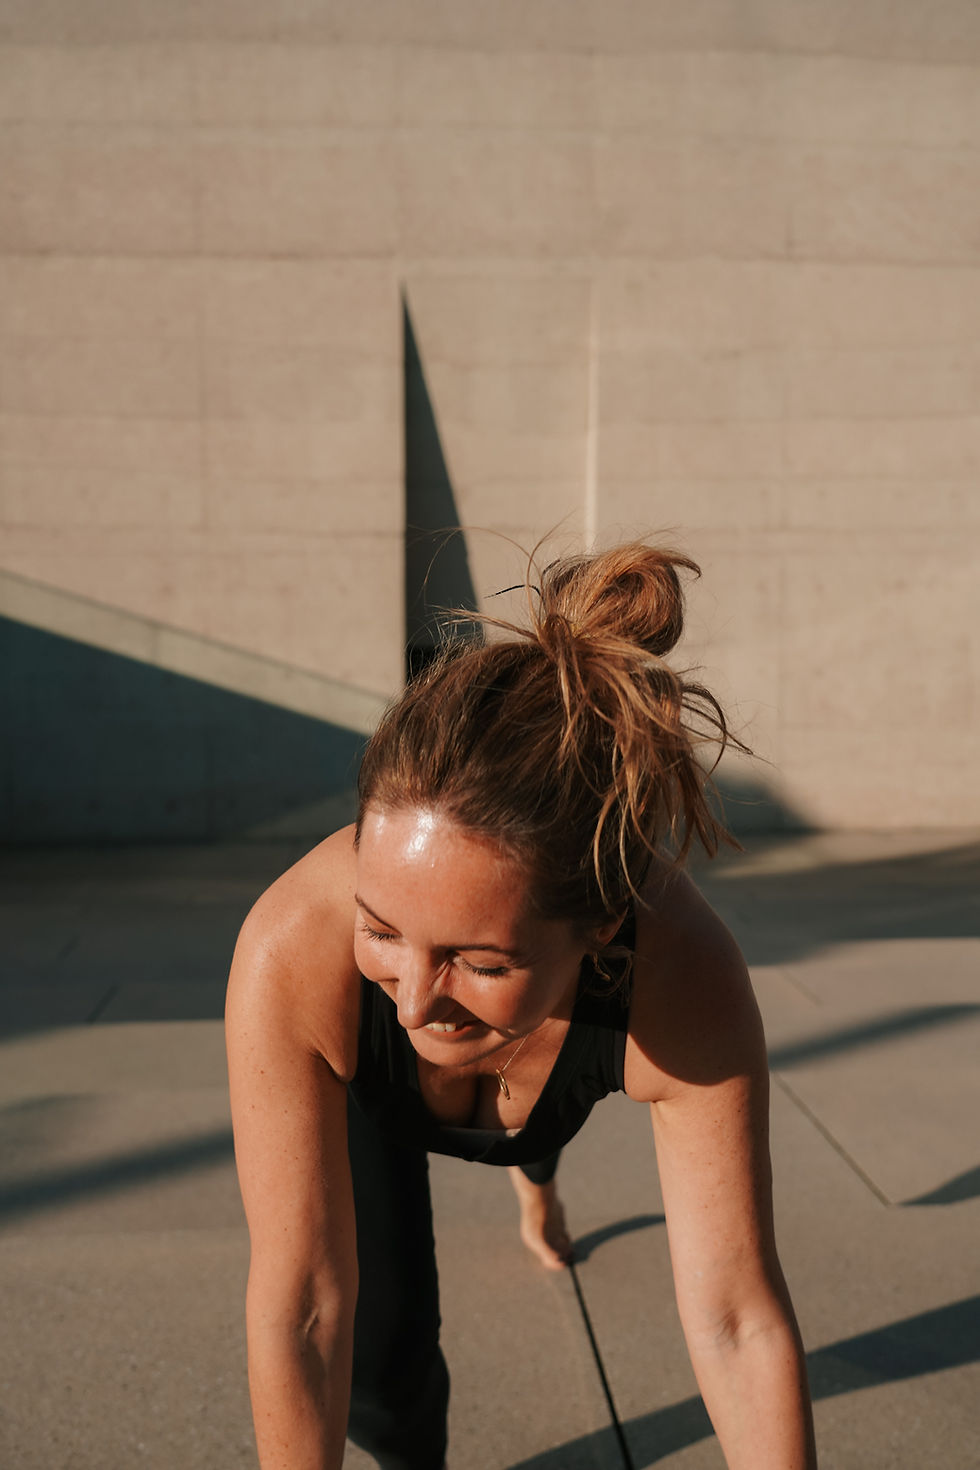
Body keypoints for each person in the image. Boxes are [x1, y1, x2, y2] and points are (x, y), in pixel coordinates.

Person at [226, 542, 817, 1470]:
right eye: (381, 930)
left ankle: (534, 1177)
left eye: (477, 959)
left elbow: (740, 1323)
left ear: (602, 925)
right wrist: (440, 968)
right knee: (385, 1376)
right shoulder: (292, 948)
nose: (416, 1002)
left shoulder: (681, 975)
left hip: (548, 1068)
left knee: (533, 1129)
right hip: (370, 1101)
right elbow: (303, 1306)